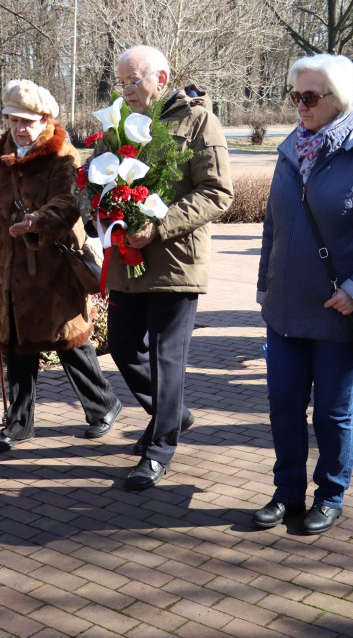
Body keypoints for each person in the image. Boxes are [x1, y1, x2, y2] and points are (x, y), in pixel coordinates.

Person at [255, 54, 353, 534]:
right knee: (283, 406)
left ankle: (331, 493)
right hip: (284, 309)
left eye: (310, 97)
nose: (300, 105)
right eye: (295, 95)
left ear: (339, 99)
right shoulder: (289, 151)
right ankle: (286, 493)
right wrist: (265, 287)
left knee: (330, 411)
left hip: (336, 312)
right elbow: (273, 229)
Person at [105, 45, 234, 491]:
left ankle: (159, 449)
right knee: (121, 346)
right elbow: (105, 177)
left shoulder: (199, 121)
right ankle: (173, 413)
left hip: (175, 261)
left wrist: (159, 226)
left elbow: (218, 192)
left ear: (161, 79)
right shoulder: (120, 121)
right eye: (120, 82)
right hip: (128, 262)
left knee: (166, 359)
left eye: (133, 81)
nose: (126, 90)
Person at [0, 79, 122, 453]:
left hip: (51, 266)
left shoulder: (63, 156)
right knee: (17, 344)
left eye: (26, 120)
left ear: (45, 119)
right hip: (9, 266)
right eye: (12, 120)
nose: (18, 128)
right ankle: (19, 425)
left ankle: (103, 405)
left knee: (68, 341)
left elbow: (68, 203)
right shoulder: (2, 154)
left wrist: (38, 221)